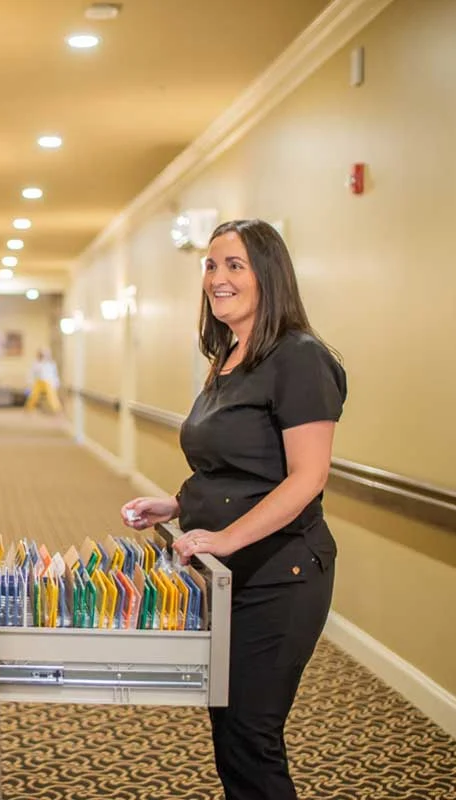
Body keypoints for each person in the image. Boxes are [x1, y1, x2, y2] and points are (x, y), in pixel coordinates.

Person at [121, 219, 346, 800]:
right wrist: (176, 504)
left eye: (235, 265)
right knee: (230, 729)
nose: (218, 278)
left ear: (269, 275)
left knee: (251, 737)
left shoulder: (300, 358)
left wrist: (223, 538)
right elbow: (233, 467)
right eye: (211, 265)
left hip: (281, 573)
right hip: (228, 576)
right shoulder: (229, 357)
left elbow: (307, 477)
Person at [24, 349, 62, 413]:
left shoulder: (51, 364)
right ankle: (28, 409)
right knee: (34, 395)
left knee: (52, 396)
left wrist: (57, 383)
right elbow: (32, 374)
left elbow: (54, 374)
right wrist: (29, 383)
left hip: (48, 382)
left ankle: (57, 410)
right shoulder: (35, 363)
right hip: (38, 382)